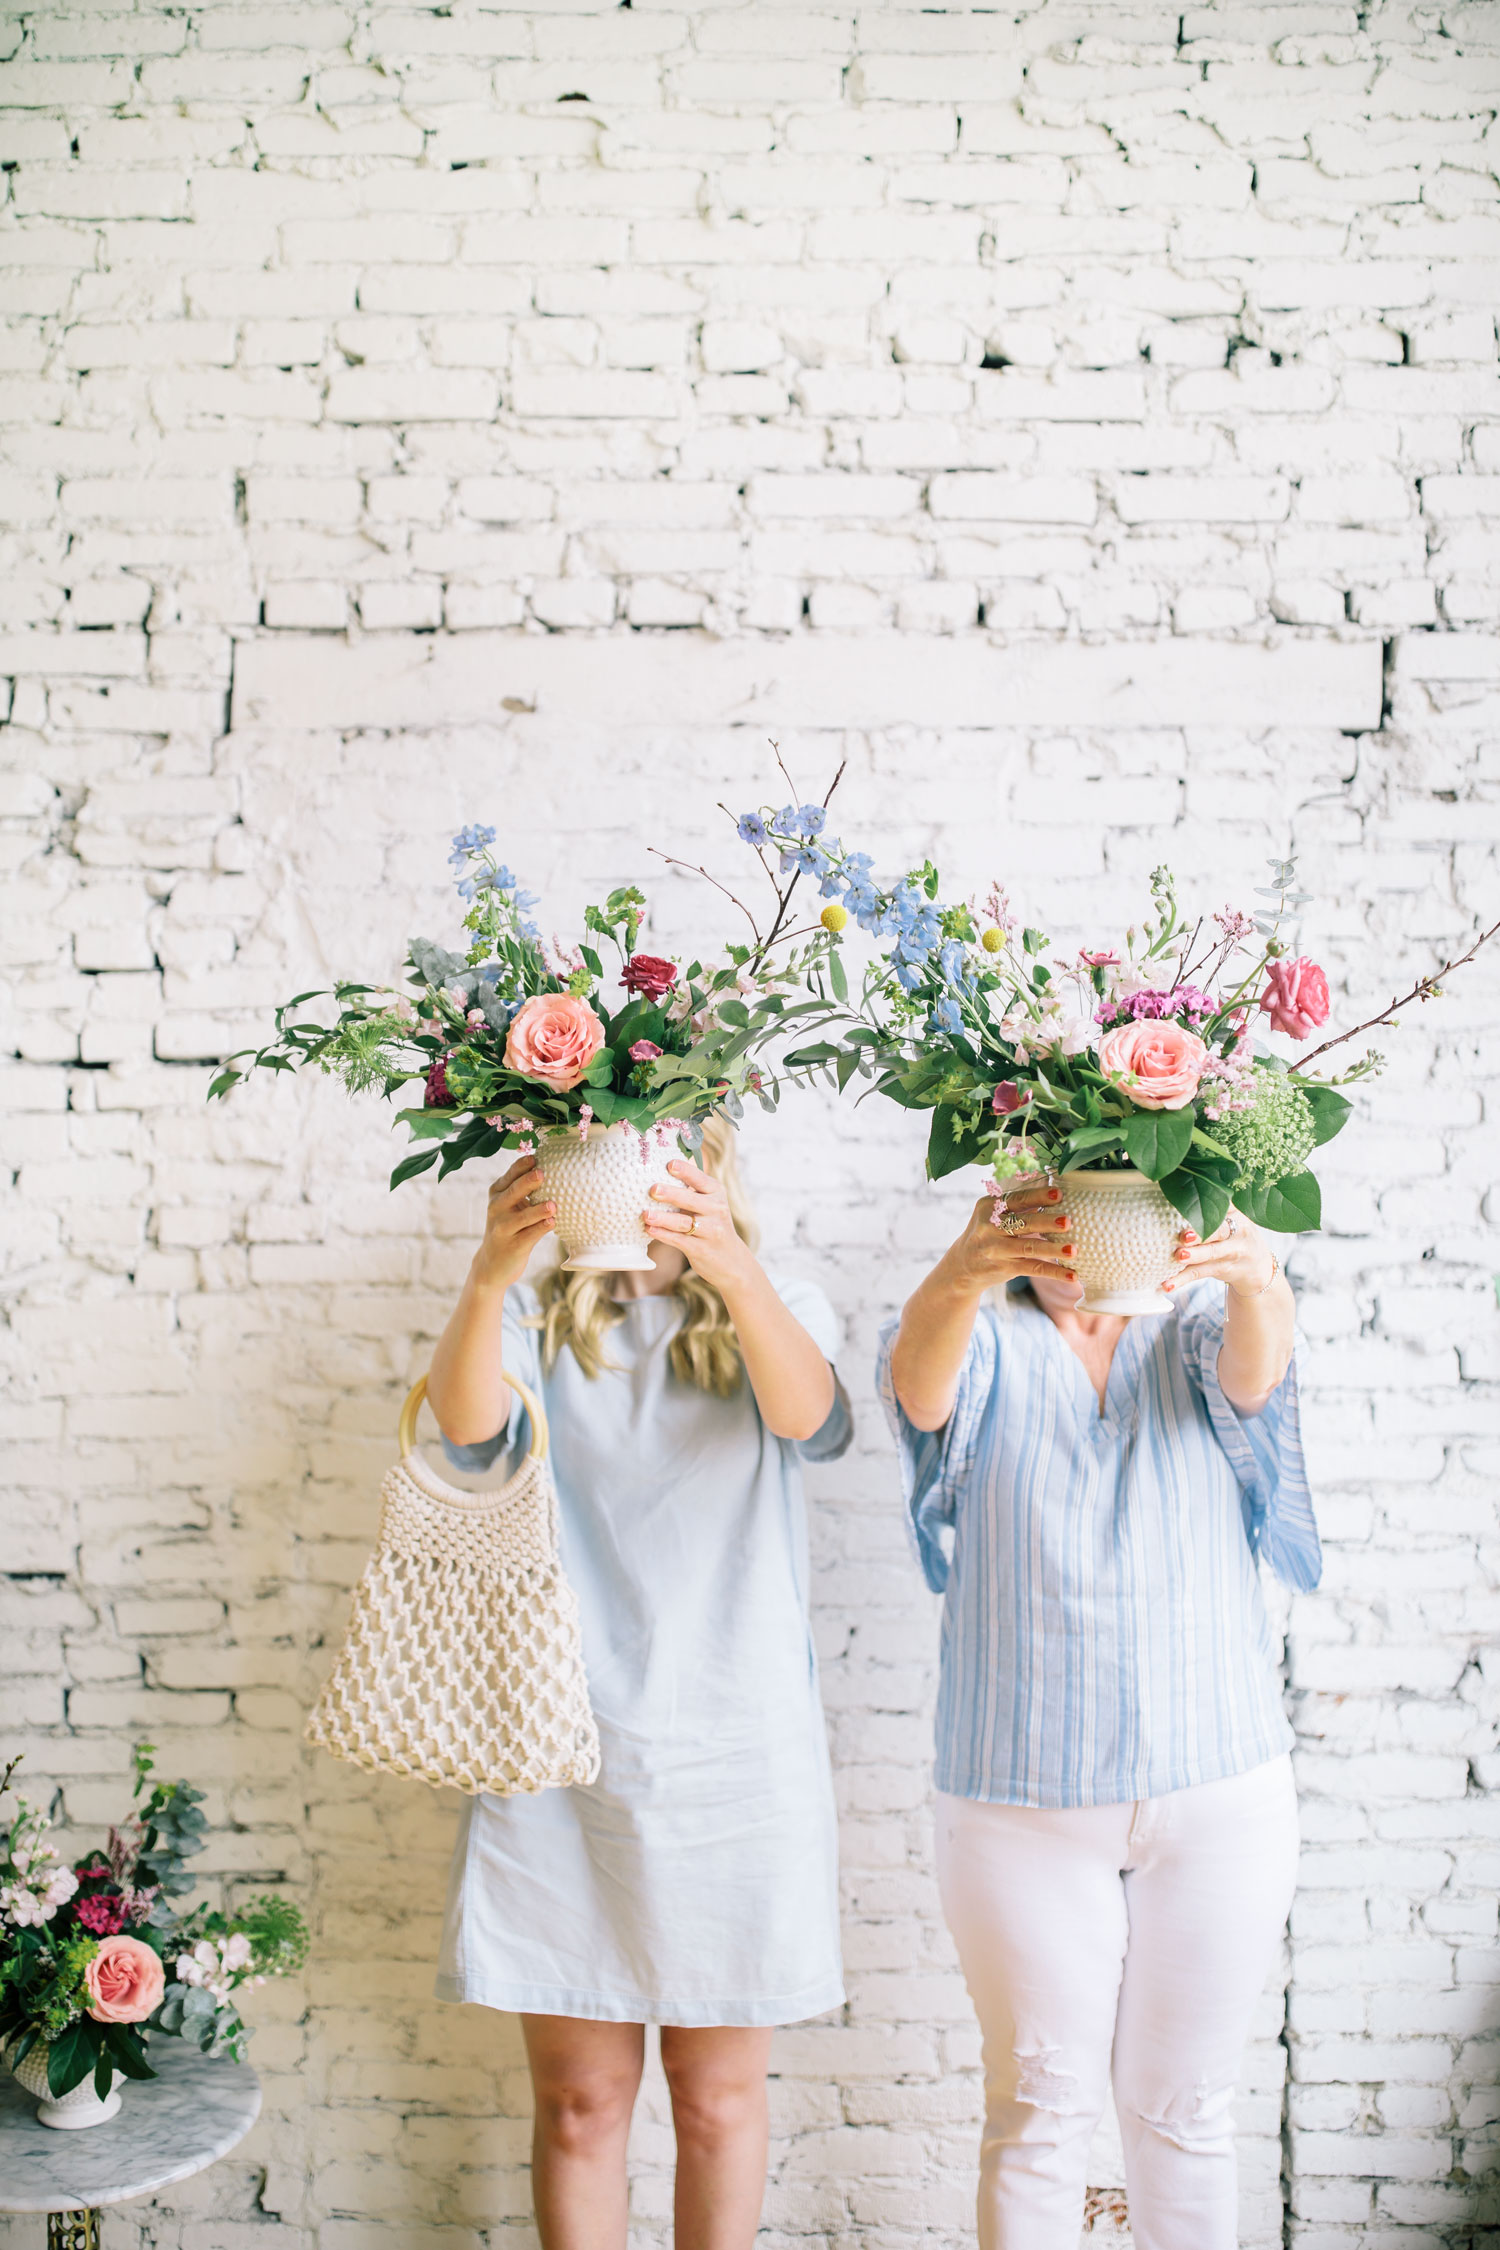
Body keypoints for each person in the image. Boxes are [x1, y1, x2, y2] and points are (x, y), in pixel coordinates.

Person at [425, 1117, 849, 2250]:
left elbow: (815, 1422)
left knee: (716, 2102)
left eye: (658, 1149)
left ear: (703, 1161)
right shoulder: (532, 1317)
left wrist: (729, 1263)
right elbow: (465, 1438)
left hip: (732, 1755)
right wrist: (487, 1272)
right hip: (562, 1748)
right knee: (578, 2106)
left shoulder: (779, 1299)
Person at [880, 1171, 1320, 2250]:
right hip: (1017, 1795)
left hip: (1219, 1787)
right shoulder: (979, 1334)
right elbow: (919, 1393)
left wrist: (1260, 1277)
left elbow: (1257, 1381)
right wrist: (959, 1269)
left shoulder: (1197, 1327)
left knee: (1185, 2116)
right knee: (1037, 2121)